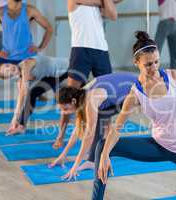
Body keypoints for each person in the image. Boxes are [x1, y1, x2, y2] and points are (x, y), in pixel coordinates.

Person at [94, 31, 176, 200]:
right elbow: (117, 127)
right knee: (102, 146)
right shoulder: (135, 94)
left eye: (156, 62)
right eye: (148, 64)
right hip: (159, 146)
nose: (154, 68)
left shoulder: (174, 76)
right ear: (137, 63)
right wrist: (105, 155)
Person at [53, 0, 123, 149]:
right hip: (80, 50)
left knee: (107, 95)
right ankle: (60, 136)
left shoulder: (99, 4)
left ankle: (105, 137)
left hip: (101, 50)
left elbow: (113, 14)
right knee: (69, 96)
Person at [0, 0, 53, 121]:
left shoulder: (30, 10)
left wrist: (40, 47)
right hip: (7, 57)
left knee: (33, 82)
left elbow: (49, 28)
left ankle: (27, 113)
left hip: (27, 57)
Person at [49, 72, 138, 173]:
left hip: (135, 89)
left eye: (65, 109)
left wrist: (75, 165)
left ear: (73, 101)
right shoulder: (81, 94)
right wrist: (63, 156)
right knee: (96, 119)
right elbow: (77, 130)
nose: (64, 113)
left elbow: (89, 136)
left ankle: (92, 160)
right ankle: (92, 160)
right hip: (124, 87)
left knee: (96, 121)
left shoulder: (90, 100)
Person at [0, 54, 69, 135]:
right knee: (32, 94)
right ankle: (21, 126)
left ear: (9, 63)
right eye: (7, 72)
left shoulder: (26, 64)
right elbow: (21, 98)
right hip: (55, 76)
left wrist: (14, 118)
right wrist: (15, 119)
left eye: (7, 66)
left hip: (68, 68)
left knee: (63, 101)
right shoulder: (20, 80)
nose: (10, 69)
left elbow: (22, 93)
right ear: (8, 77)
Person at [155, 0, 176, 69]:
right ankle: (153, 70)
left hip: (173, 24)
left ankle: (175, 71)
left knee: (173, 52)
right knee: (156, 50)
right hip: (165, 23)